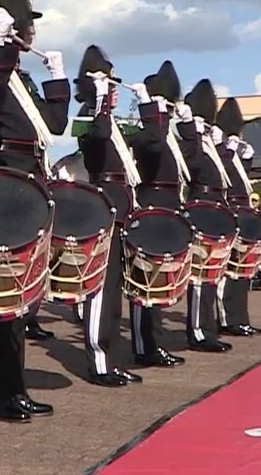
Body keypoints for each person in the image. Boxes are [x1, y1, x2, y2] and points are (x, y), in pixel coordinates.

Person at [0, 0, 69, 423]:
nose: (31, 30)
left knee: (21, 300)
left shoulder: (22, 81)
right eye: (27, 24)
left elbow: (55, 125)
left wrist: (57, 78)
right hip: (2, 186)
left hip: (29, 186)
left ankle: (14, 387)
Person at [71, 45, 147, 387]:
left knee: (114, 289)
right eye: (108, 85)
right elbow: (97, 137)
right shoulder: (88, 116)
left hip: (121, 204)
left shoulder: (110, 120)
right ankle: (99, 362)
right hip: (103, 202)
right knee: (100, 290)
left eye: (114, 87)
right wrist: (99, 97)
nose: (114, 91)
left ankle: (112, 358)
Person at [128, 61, 191, 368]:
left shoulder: (169, 137)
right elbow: (151, 146)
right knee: (145, 284)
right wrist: (151, 111)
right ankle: (144, 346)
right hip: (151, 205)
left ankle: (153, 343)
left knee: (160, 284)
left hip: (169, 206)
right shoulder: (144, 134)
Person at [181, 79, 233, 354]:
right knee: (200, 276)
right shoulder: (192, 139)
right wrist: (194, 135)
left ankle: (208, 328)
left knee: (211, 275)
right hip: (201, 205)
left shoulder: (208, 140)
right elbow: (193, 167)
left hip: (215, 203)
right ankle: (198, 332)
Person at [215, 97, 261, 337]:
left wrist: (246, 157)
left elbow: (242, 180)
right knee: (228, 271)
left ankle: (241, 317)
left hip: (243, 211)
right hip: (229, 211)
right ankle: (226, 319)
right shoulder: (218, 149)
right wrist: (227, 150)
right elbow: (223, 178)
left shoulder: (234, 151)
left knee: (243, 271)